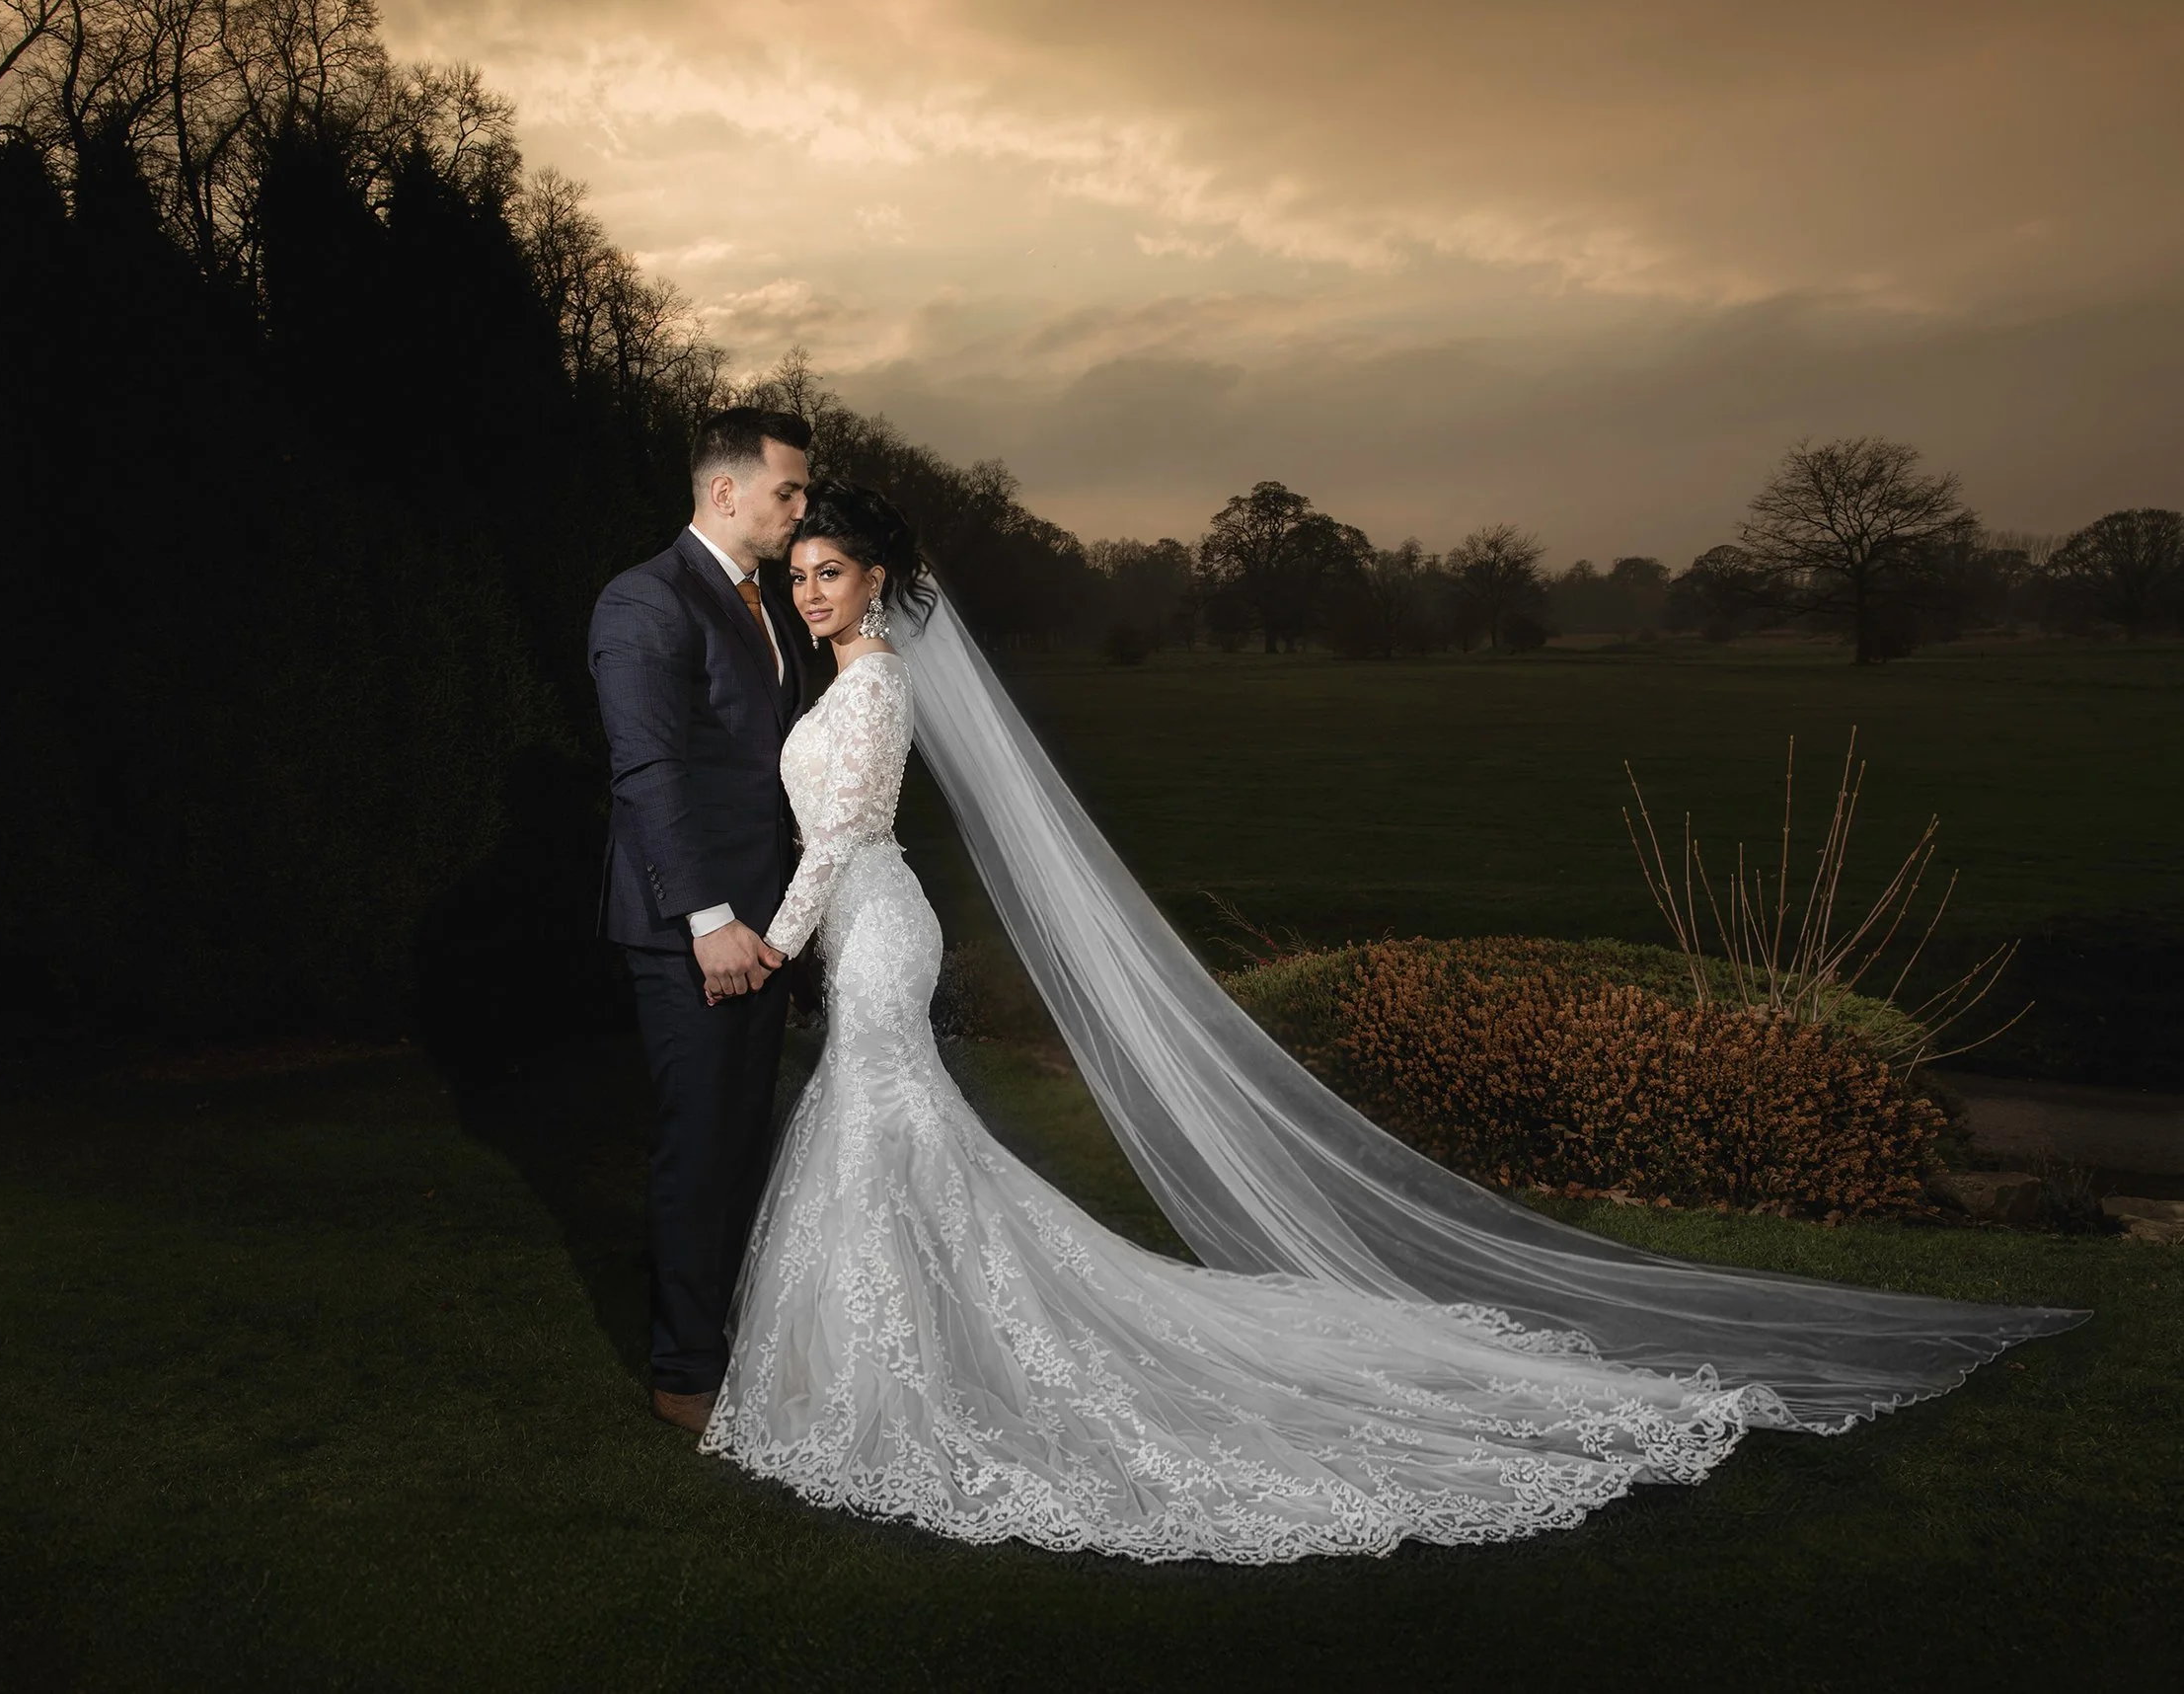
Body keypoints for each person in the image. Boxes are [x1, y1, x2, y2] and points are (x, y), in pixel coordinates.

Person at [694, 477, 2080, 1564]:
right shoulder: (842, 670)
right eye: (800, 572)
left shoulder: (875, 682)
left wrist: (773, 947)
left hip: (872, 926)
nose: (809, 591)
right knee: (891, 1139)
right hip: (871, 925)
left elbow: (849, 833)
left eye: (830, 573)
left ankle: (898, 1375)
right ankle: (888, 1362)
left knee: (883, 1131)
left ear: (880, 580)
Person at [587, 406, 814, 1435]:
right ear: (725, 491)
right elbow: (648, 772)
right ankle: (685, 1372)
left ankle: (728, 1331)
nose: (801, 508)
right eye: (788, 490)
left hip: (765, 921)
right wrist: (710, 918)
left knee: (739, 1143)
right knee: (698, 1144)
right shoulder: (644, 599)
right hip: (697, 927)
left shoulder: (764, 601)